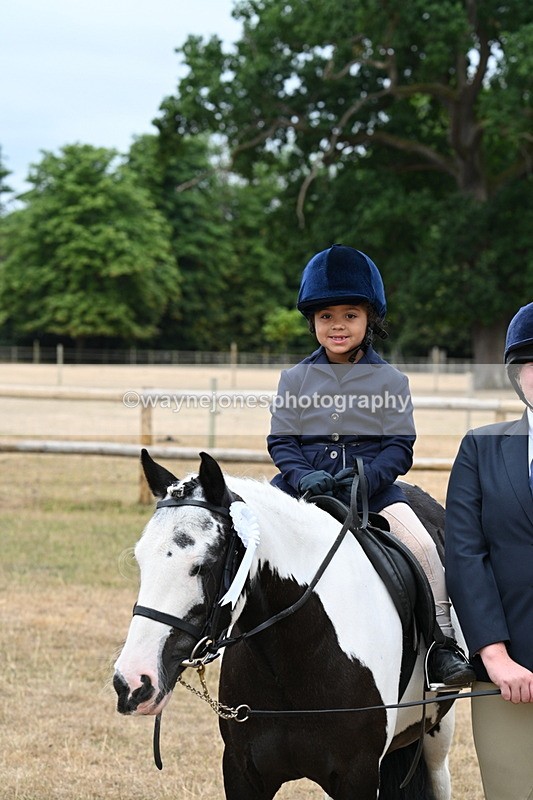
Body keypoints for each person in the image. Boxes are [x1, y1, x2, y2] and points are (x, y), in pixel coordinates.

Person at [267, 243, 475, 689]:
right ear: (313, 322)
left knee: (424, 550)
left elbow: (400, 446)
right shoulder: (294, 380)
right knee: (245, 535)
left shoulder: (391, 381)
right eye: (326, 316)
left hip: (374, 494)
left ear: (370, 320)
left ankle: (441, 646)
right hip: (302, 489)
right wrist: (304, 475)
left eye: (349, 315)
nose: (337, 325)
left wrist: (368, 476)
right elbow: (281, 440)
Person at [445, 302, 533, 800]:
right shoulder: (480, 450)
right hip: (508, 676)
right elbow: (465, 554)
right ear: (518, 376)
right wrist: (495, 656)